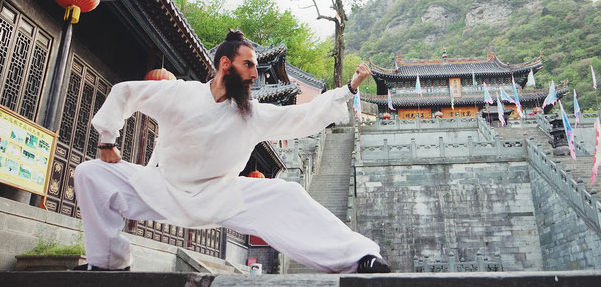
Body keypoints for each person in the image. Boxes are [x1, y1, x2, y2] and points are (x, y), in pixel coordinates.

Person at [73, 29, 390, 273]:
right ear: (226, 64)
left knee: (285, 194)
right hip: (162, 188)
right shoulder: (180, 94)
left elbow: (302, 117)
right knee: (90, 173)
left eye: (255, 66)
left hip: (221, 195)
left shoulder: (251, 113)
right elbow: (125, 92)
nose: (254, 74)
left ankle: (359, 258)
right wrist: (107, 141)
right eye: (248, 65)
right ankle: (108, 261)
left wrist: (348, 90)